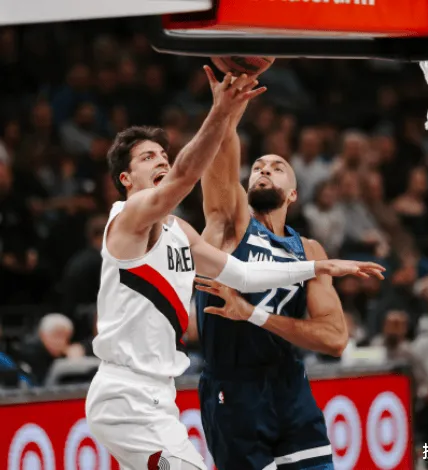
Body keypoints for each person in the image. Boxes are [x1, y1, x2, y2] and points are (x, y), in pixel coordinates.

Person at [85, 69, 385, 470]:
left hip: (172, 392)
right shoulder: (130, 217)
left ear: (294, 193)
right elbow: (189, 174)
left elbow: (242, 276)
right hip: (144, 391)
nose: (162, 161)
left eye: (163, 155)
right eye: (147, 157)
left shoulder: (181, 232)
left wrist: (318, 265)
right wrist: (223, 112)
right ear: (125, 178)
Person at [194, 71, 381, 470]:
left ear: (293, 193)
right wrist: (224, 112)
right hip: (234, 389)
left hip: (289, 385)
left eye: (276, 167)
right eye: (257, 167)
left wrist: (255, 315)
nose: (263, 170)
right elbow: (219, 159)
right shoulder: (227, 226)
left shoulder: (309, 250)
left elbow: (334, 339)